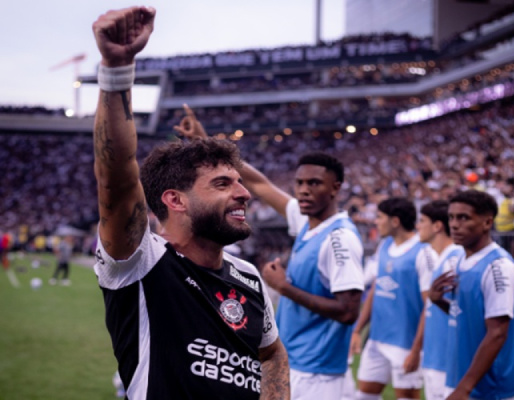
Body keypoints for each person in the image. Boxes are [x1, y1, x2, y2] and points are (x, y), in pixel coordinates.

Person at [91, 7, 289, 400]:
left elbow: (272, 356)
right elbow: (116, 176)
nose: (244, 193)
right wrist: (116, 71)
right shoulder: (142, 261)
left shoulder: (248, 277)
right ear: (175, 200)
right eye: (222, 184)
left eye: (239, 182)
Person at [174, 105, 364, 398]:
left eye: (314, 183)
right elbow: (258, 184)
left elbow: (349, 311)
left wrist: (283, 288)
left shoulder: (340, 239)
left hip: (318, 375)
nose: (303, 190)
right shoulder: (307, 222)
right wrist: (204, 141)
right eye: (300, 183)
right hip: (298, 364)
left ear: (335, 188)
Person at [430, 190, 514, 400]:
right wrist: (438, 302)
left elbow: (497, 332)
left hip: (490, 389)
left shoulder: (497, 266)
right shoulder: (461, 261)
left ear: (487, 222)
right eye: (451, 217)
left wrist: (464, 388)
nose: (454, 225)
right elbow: (467, 317)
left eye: (464, 218)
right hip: (461, 378)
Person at [350, 197, 433, 400]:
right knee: (364, 395)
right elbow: (376, 289)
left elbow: (429, 306)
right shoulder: (385, 245)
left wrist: (416, 350)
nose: (376, 222)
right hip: (377, 339)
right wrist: (358, 329)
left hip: (405, 343)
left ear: (395, 221)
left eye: (380, 217)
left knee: (406, 397)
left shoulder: (423, 252)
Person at [418, 200, 464, 400]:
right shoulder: (441, 258)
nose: (418, 226)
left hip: (447, 359)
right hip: (434, 355)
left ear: (437, 226)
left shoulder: (454, 259)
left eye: (422, 221)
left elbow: (463, 311)